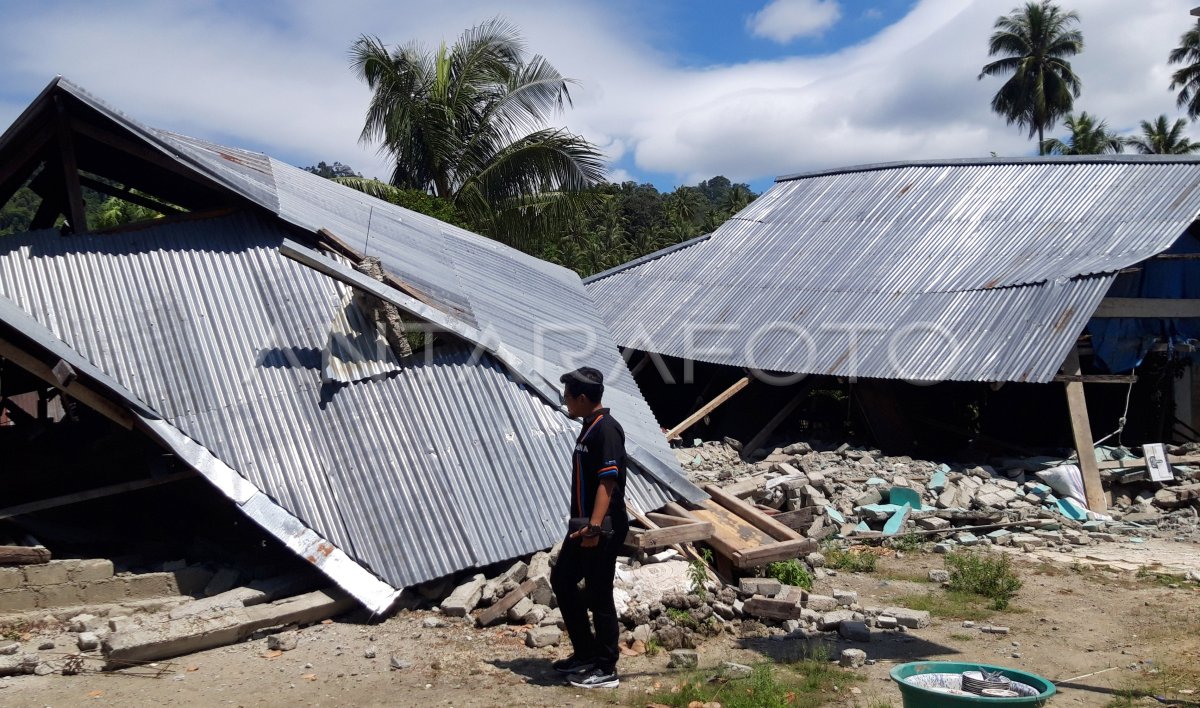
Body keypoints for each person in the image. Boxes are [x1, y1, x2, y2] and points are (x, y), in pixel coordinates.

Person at [550, 366, 629, 690]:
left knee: (599, 594)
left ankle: (606, 667)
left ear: (583, 398)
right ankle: (585, 652)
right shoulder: (589, 426)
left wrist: (595, 529)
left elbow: (607, 482)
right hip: (583, 527)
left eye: (568, 397)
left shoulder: (606, 429)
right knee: (563, 580)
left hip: (601, 529)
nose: (565, 401)